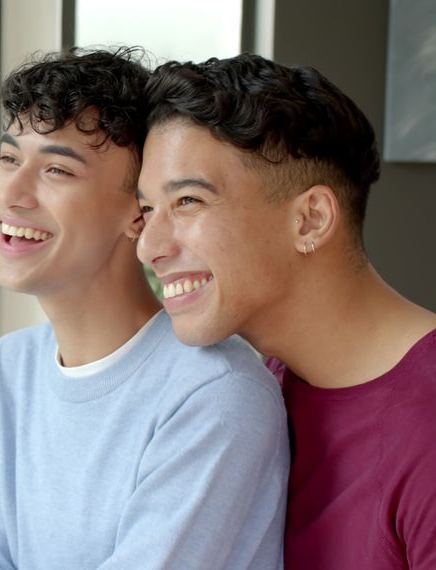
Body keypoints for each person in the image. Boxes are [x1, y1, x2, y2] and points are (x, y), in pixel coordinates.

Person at [0, 47, 289, 569]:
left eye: (57, 170)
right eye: (8, 159)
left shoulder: (216, 395)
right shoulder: (7, 372)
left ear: (138, 214)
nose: (11, 194)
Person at [136, 53, 436, 569]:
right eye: (146, 210)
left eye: (187, 201)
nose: (149, 246)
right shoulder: (245, 395)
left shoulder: (426, 428)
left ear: (311, 220)